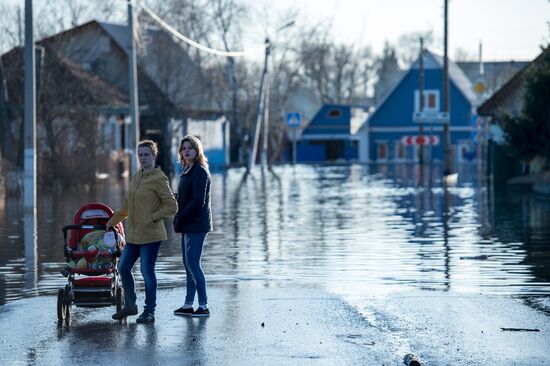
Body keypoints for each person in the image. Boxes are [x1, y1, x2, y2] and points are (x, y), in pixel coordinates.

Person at [107, 140, 177, 323]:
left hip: (151, 235)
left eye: (147, 154)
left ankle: (149, 312)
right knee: (123, 267)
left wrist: (153, 217)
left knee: (147, 272)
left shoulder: (159, 178)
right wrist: (110, 223)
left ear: (154, 156)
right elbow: (126, 209)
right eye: (141, 155)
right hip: (133, 236)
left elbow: (172, 206)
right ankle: (131, 305)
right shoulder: (137, 177)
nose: (143, 158)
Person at [173, 135, 213, 317]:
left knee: (193, 264)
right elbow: (186, 196)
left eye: (191, 147)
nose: (187, 150)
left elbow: (198, 201)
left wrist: (180, 216)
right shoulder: (187, 169)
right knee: (187, 264)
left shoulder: (200, 171)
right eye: (184, 148)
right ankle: (188, 305)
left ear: (198, 150)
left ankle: (203, 306)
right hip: (187, 223)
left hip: (197, 224)